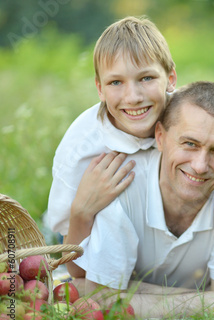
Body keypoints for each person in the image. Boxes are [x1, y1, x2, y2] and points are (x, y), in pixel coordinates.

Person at [70, 81, 214, 319]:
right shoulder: (121, 184)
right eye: (190, 144)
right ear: (160, 137)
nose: (200, 166)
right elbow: (103, 301)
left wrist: (128, 292)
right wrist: (209, 300)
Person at [46, 16, 177, 257]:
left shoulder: (190, 118)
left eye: (146, 78)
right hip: (93, 243)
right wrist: (82, 211)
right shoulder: (81, 148)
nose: (133, 97)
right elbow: (71, 258)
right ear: (100, 89)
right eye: (116, 82)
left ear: (170, 78)